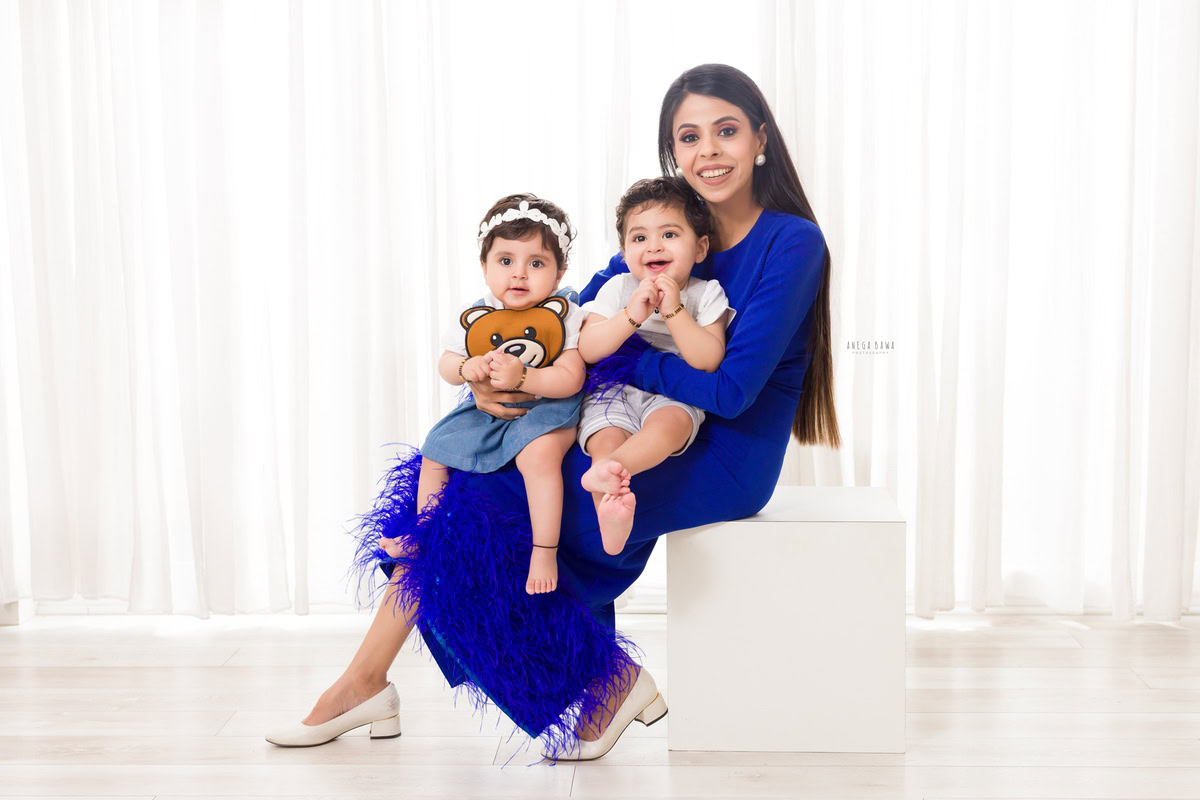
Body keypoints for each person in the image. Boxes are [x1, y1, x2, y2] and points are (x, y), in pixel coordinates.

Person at [266, 63, 841, 763]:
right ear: (672, 151)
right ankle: (381, 680)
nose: (707, 152)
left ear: (760, 140)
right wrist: (502, 382)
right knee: (455, 474)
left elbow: (730, 392)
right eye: (688, 137)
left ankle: (580, 681)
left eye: (725, 131)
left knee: (480, 504)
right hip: (627, 421)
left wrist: (625, 357)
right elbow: (571, 323)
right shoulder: (659, 232)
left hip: (718, 447)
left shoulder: (791, 242)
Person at [376, 193, 587, 596]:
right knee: (437, 447)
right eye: (506, 261)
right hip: (490, 410)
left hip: (550, 410)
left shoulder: (564, 314)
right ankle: (424, 533)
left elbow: (570, 377)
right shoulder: (478, 313)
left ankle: (544, 551)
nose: (519, 274)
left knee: (538, 456)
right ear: (485, 267)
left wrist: (525, 377)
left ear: (558, 274)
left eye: (536, 263)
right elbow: (446, 362)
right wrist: (463, 368)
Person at [576, 176, 735, 556]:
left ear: (699, 248)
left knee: (670, 427)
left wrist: (674, 309)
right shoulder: (618, 288)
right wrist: (631, 315)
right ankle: (611, 517)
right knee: (604, 435)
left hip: (672, 392)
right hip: (615, 388)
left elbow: (708, 359)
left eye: (669, 234)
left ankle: (612, 472)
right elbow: (588, 347)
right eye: (639, 238)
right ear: (625, 250)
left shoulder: (704, 292)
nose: (654, 247)